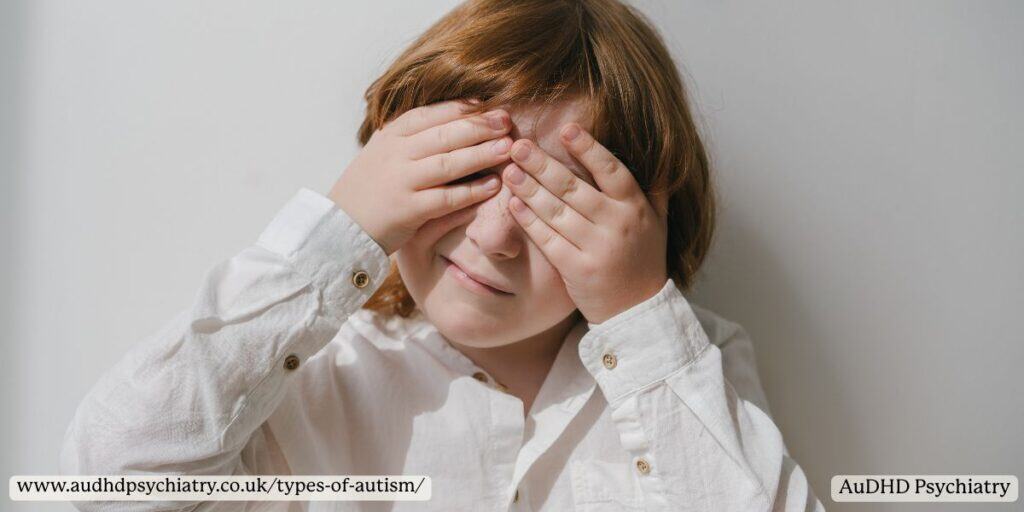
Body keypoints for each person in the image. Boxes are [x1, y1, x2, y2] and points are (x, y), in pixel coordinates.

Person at [60, 0, 825, 510]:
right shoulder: (318, 378)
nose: (493, 237)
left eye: (553, 202)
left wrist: (638, 314)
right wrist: (339, 233)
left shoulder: (689, 366)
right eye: (465, 175)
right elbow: (101, 484)